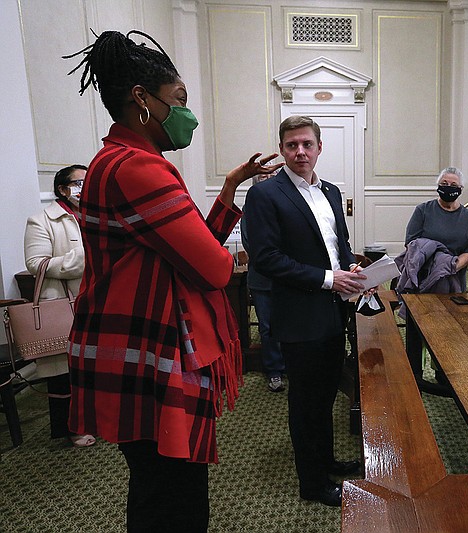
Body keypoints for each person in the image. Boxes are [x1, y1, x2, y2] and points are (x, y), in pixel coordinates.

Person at [63, 30, 281, 532]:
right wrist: (223, 250)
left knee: (158, 486)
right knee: (172, 497)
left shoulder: (115, 160)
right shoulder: (139, 168)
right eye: (179, 100)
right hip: (148, 352)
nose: (188, 114)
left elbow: (191, 250)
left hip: (129, 344)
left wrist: (229, 186)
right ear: (142, 98)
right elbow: (214, 268)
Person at [244, 115, 367, 507]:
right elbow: (265, 259)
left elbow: (338, 244)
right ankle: (312, 483)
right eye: (292, 145)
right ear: (282, 149)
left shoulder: (330, 191)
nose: (300, 152)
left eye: (307, 144)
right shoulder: (266, 195)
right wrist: (331, 279)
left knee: (328, 391)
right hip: (299, 315)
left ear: (319, 147)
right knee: (306, 401)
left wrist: (352, 270)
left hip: (334, 311)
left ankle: (326, 459)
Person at [23, 164, 95, 448]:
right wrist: (82, 258)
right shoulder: (41, 220)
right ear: (62, 189)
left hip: (97, 300)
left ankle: (99, 420)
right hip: (63, 305)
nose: (84, 188)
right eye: (79, 183)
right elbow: (35, 264)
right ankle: (72, 428)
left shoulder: (98, 214)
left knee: (96, 368)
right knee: (64, 373)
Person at [403, 167, 468, 292]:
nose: (448, 186)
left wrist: (449, 268)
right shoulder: (422, 210)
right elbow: (411, 243)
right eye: (444, 184)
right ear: (438, 186)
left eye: (453, 185)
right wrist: (434, 268)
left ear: (460, 189)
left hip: (454, 276)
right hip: (424, 275)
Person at [240, 202, 285, 392]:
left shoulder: (287, 202)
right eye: (262, 174)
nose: (267, 176)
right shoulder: (250, 208)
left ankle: (294, 366)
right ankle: (274, 370)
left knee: (292, 324)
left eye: (271, 173)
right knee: (267, 326)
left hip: (290, 277)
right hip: (262, 279)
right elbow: (250, 244)